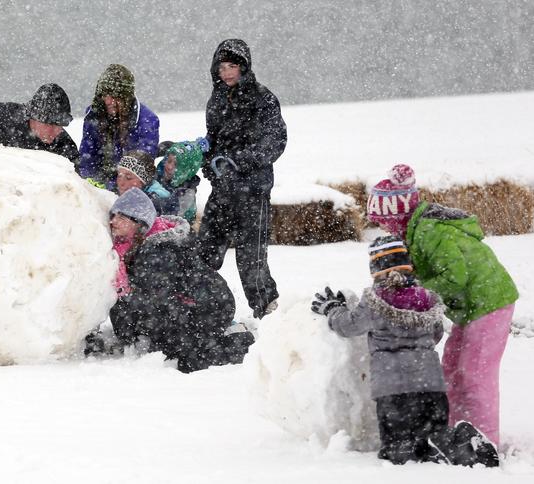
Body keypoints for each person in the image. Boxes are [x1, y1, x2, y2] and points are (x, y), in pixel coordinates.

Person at [311, 236, 499, 467]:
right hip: (431, 386)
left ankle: (418, 457)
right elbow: (436, 334)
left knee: (399, 451)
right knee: (434, 437)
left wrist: (333, 309)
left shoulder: (374, 300)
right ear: (408, 266)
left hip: (393, 391)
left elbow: (348, 326)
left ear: (376, 271)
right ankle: (462, 445)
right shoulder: (426, 298)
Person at [367, 164, 519, 446]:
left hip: (490, 302)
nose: (383, 227)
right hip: (470, 307)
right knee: (451, 367)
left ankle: (485, 441)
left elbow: (456, 275)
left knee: (475, 372)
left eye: (384, 220)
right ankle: (453, 430)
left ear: (398, 214)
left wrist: (421, 294)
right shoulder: (413, 233)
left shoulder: (429, 231)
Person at [86, 188, 254, 373]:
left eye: (122, 218)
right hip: (183, 304)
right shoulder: (130, 245)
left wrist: (124, 294)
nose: (113, 221)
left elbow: (155, 302)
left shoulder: (158, 252)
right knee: (135, 313)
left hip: (211, 306)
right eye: (113, 215)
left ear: (139, 224)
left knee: (183, 356)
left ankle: (236, 341)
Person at [198, 39, 287, 319]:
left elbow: (276, 141)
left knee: (252, 260)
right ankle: (197, 307)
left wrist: (241, 161)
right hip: (223, 190)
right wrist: (208, 164)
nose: (227, 73)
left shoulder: (264, 98)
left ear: (244, 67)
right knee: (204, 252)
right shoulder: (216, 100)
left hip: (253, 191)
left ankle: (268, 314)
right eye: (222, 67)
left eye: (232, 66)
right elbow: (212, 140)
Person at [79, 64, 160, 191]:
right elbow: (87, 157)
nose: (108, 101)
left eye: (114, 97)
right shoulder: (93, 115)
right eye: (105, 96)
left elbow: (138, 171)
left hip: (130, 189)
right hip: (98, 185)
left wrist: (111, 187)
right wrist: (91, 184)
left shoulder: (147, 121)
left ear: (126, 98)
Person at [155, 138, 207, 224]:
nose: (169, 167)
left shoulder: (186, 194)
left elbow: (171, 216)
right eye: (169, 161)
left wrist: (154, 199)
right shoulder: (157, 176)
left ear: (185, 171)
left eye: (176, 165)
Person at [115, 150, 175, 215]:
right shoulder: (122, 193)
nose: (121, 183)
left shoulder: (154, 204)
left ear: (144, 182)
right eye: (119, 175)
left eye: (128, 178)